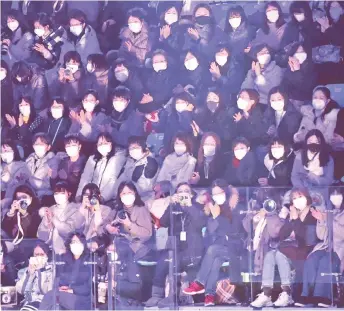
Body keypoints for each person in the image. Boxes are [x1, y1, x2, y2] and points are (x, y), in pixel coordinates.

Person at [183, 179, 245, 307]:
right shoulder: (213, 208)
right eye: (215, 194)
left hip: (235, 248)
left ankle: (199, 283)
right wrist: (194, 204)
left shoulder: (235, 207)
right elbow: (202, 222)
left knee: (212, 250)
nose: (218, 196)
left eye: (220, 192)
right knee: (215, 260)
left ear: (226, 192)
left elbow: (233, 232)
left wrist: (218, 217)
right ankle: (209, 296)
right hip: (219, 249)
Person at [145, 182, 207, 308]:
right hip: (175, 248)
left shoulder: (197, 207)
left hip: (193, 250)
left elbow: (201, 223)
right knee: (163, 261)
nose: (183, 193)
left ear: (191, 194)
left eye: (186, 191)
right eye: (180, 192)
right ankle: (157, 295)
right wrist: (171, 205)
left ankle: (181, 297)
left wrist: (189, 206)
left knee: (187, 268)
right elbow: (163, 223)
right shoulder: (174, 207)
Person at [295, 187, 343, 308]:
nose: (335, 198)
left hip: (339, 248)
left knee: (326, 261)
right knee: (312, 259)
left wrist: (326, 219)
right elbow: (321, 235)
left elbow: (341, 234)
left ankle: (323, 296)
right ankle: (307, 295)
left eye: (338, 194)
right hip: (325, 247)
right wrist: (321, 221)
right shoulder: (328, 212)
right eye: (333, 195)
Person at [244, 192, 288, 308]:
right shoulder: (258, 213)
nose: (268, 205)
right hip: (254, 249)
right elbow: (246, 228)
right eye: (265, 202)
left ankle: (267, 295)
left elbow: (275, 233)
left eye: (270, 202)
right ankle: (260, 296)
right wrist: (255, 217)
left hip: (269, 249)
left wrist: (271, 215)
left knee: (269, 257)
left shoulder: (279, 216)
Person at [39, 232, 93, 310]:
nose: (76, 244)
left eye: (78, 242)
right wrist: (60, 289)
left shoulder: (89, 260)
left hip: (82, 300)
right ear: (69, 245)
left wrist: (72, 290)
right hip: (64, 297)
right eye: (73, 242)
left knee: (50, 296)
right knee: (54, 305)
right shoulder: (64, 260)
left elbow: (89, 287)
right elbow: (57, 281)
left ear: (83, 243)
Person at [100, 182, 153, 260]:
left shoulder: (141, 209)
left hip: (133, 251)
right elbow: (103, 224)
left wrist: (130, 225)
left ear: (134, 193)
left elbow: (147, 233)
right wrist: (108, 227)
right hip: (114, 248)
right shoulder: (117, 209)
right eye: (124, 193)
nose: (127, 195)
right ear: (120, 195)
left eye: (129, 192)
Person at [76, 133, 126, 203]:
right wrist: (79, 195)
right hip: (90, 196)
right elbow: (85, 177)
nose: (102, 145)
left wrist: (103, 198)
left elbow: (112, 180)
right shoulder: (92, 158)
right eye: (100, 143)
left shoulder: (118, 157)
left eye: (105, 142)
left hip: (107, 199)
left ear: (111, 143)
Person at [37, 182, 84, 255]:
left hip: (70, 251)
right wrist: (48, 226)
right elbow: (40, 234)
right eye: (56, 193)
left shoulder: (76, 209)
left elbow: (70, 230)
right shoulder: (50, 209)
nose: (58, 196)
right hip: (51, 252)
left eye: (62, 193)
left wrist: (54, 219)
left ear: (69, 193)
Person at [16, 242, 53, 311]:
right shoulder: (26, 270)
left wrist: (41, 272)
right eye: (36, 255)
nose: (38, 257)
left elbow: (47, 292)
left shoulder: (52, 271)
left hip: (44, 303)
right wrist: (29, 274)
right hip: (28, 302)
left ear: (47, 256)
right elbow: (21, 290)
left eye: (42, 254)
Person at [282, 42, 317, 111]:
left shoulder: (312, 68)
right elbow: (285, 87)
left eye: (302, 51)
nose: (300, 54)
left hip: (305, 104)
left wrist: (297, 71)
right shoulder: (289, 68)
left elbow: (305, 89)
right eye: (297, 52)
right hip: (289, 103)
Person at [25, 133, 59, 204]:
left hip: (44, 196)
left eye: (42, 144)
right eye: (36, 144)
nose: (38, 146)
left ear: (48, 147)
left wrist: (29, 180)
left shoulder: (53, 161)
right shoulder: (29, 158)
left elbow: (49, 185)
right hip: (27, 193)